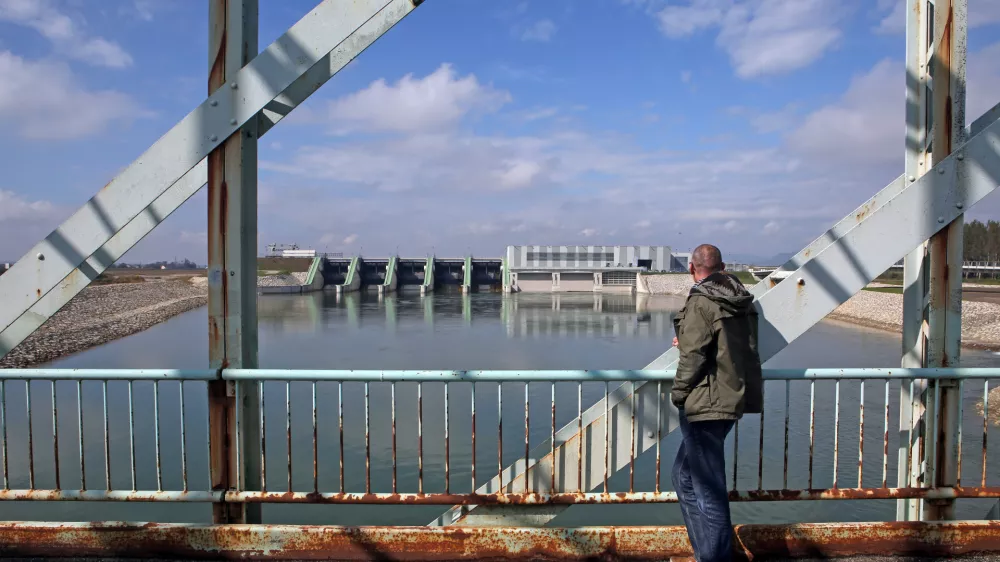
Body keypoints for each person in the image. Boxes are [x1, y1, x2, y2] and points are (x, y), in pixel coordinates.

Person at [669, 244, 763, 562]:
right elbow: (725, 343)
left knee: (707, 488)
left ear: (691, 268)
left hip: (705, 400)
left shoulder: (701, 300)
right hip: (732, 395)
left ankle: (715, 558)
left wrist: (679, 393)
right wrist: (687, 336)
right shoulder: (741, 298)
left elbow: (694, 356)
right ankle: (707, 554)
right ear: (722, 267)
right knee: (683, 477)